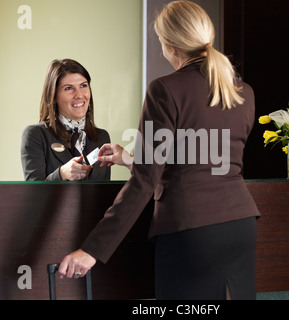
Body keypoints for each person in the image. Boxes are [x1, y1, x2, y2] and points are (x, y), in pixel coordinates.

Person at [58, 1, 261, 300]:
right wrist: (129, 158)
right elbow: (201, 159)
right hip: (241, 227)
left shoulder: (164, 89)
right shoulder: (243, 91)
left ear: (170, 46)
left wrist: (92, 250)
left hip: (190, 231)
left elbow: (145, 182)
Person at [21, 59, 112, 181]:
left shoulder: (102, 137)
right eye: (69, 88)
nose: (79, 95)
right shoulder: (36, 135)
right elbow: (34, 195)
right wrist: (61, 174)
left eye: (83, 85)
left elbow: (105, 193)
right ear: (53, 96)